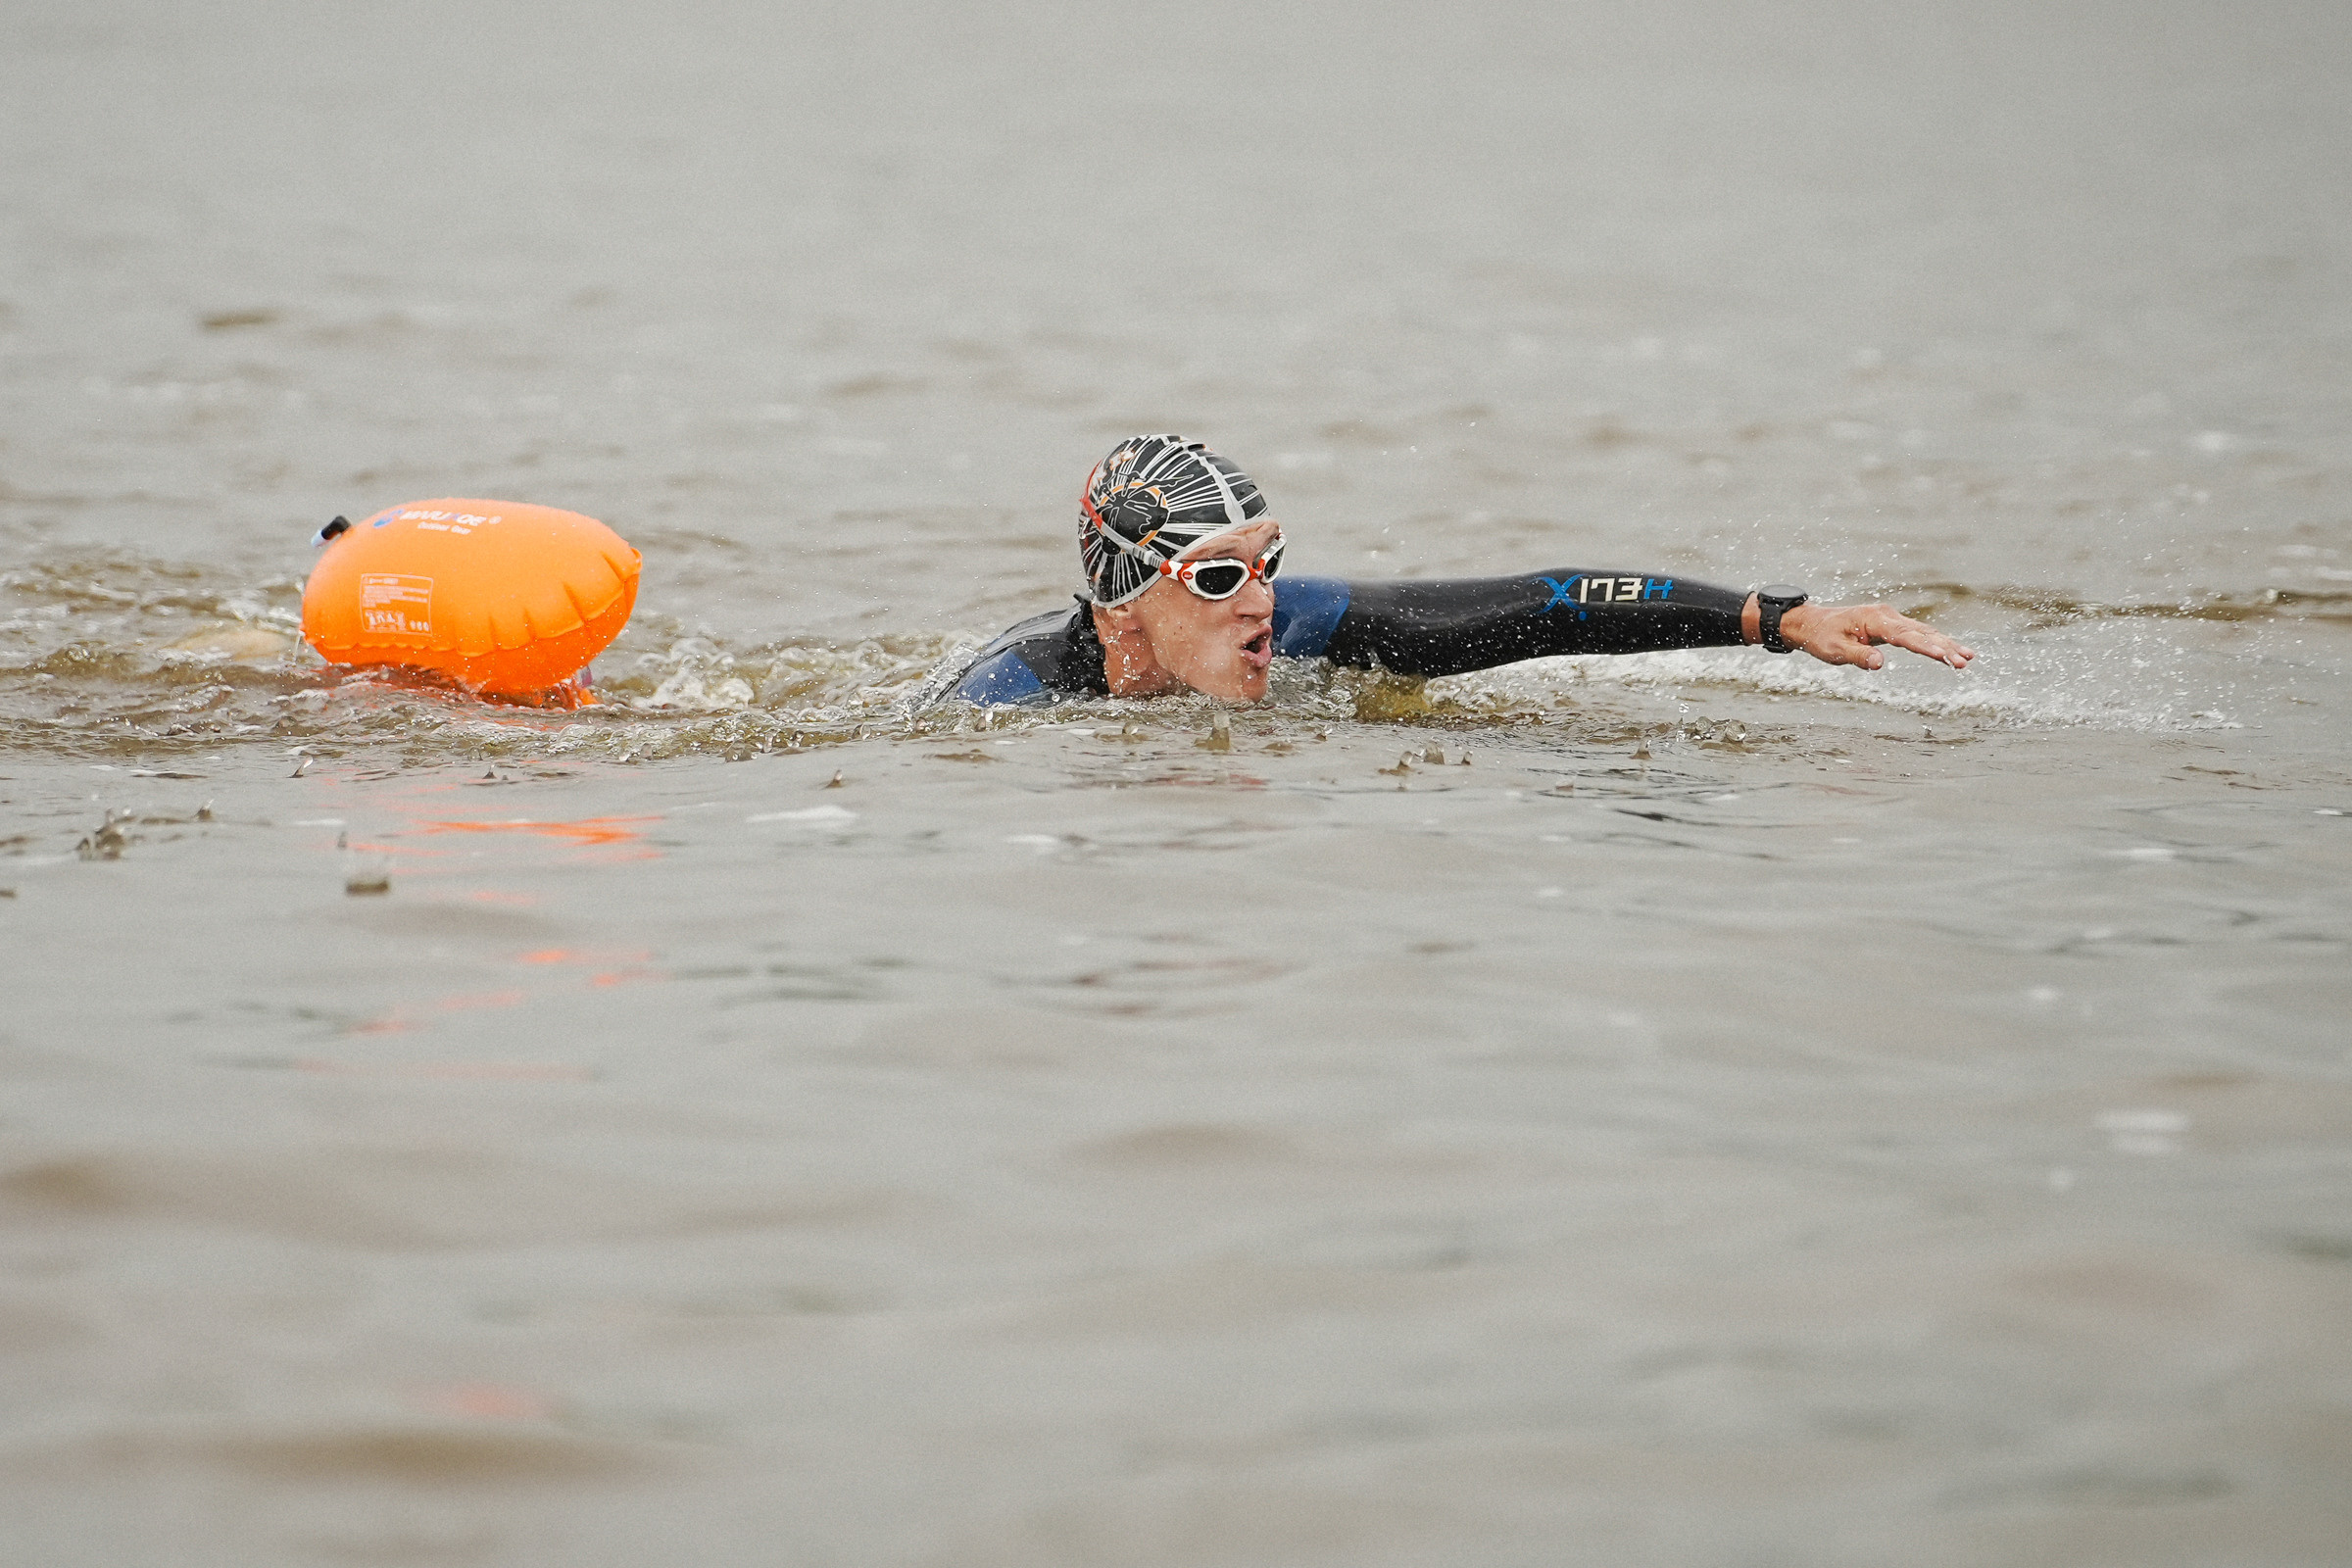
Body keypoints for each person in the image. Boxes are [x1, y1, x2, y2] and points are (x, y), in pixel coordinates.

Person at [950, 434, 1973, 707]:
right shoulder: (1006, 703)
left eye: (1267, 566)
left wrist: (1779, 618)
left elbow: (1542, 606)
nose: (1260, 600)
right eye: (1220, 579)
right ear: (1123, 609)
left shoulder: (1298, 623)